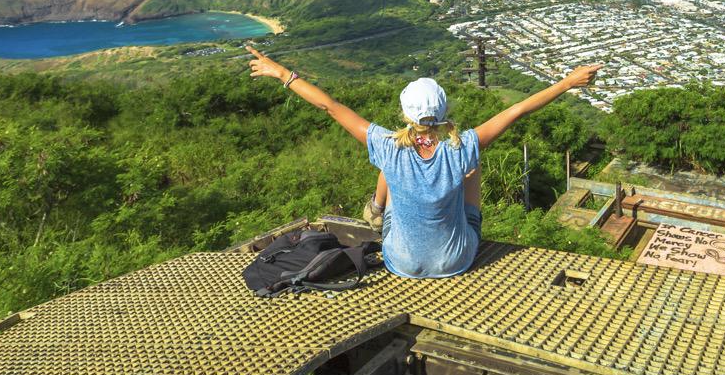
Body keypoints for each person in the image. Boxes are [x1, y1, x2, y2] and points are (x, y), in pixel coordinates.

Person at [245, 44, 600, 278]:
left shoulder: (387, 144)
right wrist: (567, 82)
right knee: (471, 167)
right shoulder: (461, 147)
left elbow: (330, 106)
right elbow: (517, 110)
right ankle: (397, 214)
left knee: (391, 162)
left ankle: (375, 208)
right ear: (445, 111)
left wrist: (282, 74)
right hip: (455, 261)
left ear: (404, 111)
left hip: (401, 261)